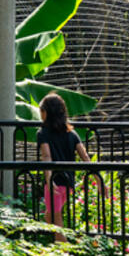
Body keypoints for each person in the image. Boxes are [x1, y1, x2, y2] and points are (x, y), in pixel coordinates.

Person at [37, 92, 90, 242]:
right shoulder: (72, 134)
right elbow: (85, 157)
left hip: (54, 182)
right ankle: (57, 252)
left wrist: (49, 178)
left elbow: (47, 157)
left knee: (56, 220)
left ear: (46, 113)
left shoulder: (43, 133)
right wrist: (98, 180)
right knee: (50, 216)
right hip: (68, 183)